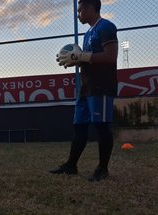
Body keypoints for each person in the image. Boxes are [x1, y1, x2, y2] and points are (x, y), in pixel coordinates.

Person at [51, 0, 118, 181]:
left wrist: (84, 56)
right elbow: (89, 60)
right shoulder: (88, 33)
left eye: (80, 10)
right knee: (79, 127)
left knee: (102, 127)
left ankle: (102, 169)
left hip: (101, 87)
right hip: (86, 87)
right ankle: (71, 165)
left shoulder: (106, 27)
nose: (78, 14)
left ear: (90, 8)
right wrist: (76, 60)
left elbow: (111, 57)